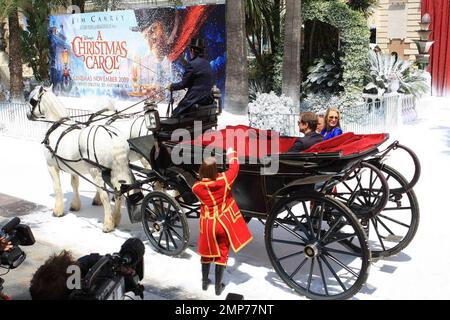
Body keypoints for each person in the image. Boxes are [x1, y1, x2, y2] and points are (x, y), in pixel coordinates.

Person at [192, 148, 252, 296]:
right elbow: (234, 167)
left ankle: (205, 282)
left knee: (206, 254)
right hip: (222, 224)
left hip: (207, 225)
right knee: (222, 254)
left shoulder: (196, 188)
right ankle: (218, 287)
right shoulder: (224, 180)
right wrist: (232, 154)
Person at [168, 38, 215, 117]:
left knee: (175, 115)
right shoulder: (207, 64)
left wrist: (172, 86)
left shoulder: (192, 64)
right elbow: (198, 78)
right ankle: (197, 128)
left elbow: (183, 84)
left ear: (192, 50)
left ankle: (186, 128)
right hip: (207, 99)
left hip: (195, 100)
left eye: (190, 50)